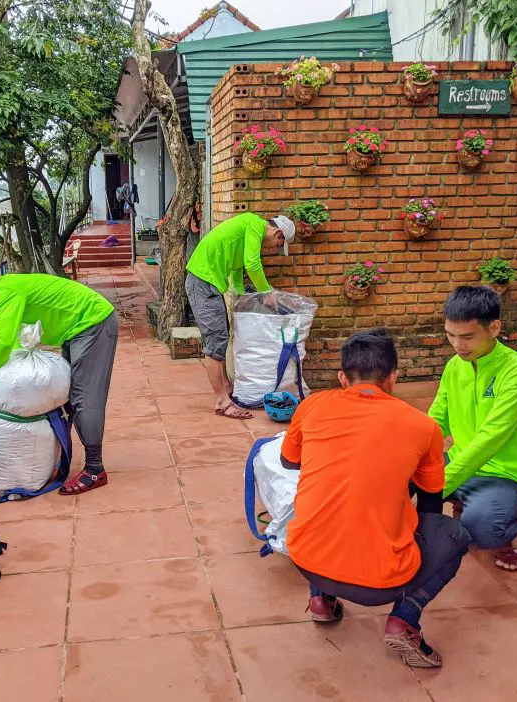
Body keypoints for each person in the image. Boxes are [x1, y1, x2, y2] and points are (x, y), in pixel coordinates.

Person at [281, 329, 471, 668]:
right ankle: (405, 619)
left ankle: (320, 601)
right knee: (454, 534)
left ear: (342, 377)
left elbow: (288, 461)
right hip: (381, 585)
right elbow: (430, 505)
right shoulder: (422, 426)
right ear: (393, 378)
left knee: (326, 498)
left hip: (305, 560)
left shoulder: (311, 406)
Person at [0, 267, 118, 496]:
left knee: (84, 397)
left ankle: (95, 469)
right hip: (77, 329)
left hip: (93, 323)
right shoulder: (5, 291)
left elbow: (4, 341)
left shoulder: (5, 291)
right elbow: (15, 342)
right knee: (71, 395)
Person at [429, 286, 517, 572]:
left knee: (481, 531)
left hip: (507, 473)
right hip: (461, 458)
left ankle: (513, 528)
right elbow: (435, 420)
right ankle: (463, 501)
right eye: (450, 335)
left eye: (467, 336)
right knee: (398, 478)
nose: (458, 345)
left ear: (494, 328)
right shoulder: (455, 366)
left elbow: (490, 439)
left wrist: (437, 483)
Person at [185, 212, 296, 419]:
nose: (274, 249)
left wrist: (241, 297)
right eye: (279, 244)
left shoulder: (249, 228)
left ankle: (226, 388)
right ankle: (222, 401)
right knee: (215, 340)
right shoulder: (254, 224)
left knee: (221, 335)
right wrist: (266, 292)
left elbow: (238, 268)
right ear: (278, 233)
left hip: (207, 281)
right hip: (203, 282)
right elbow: (252, 263)